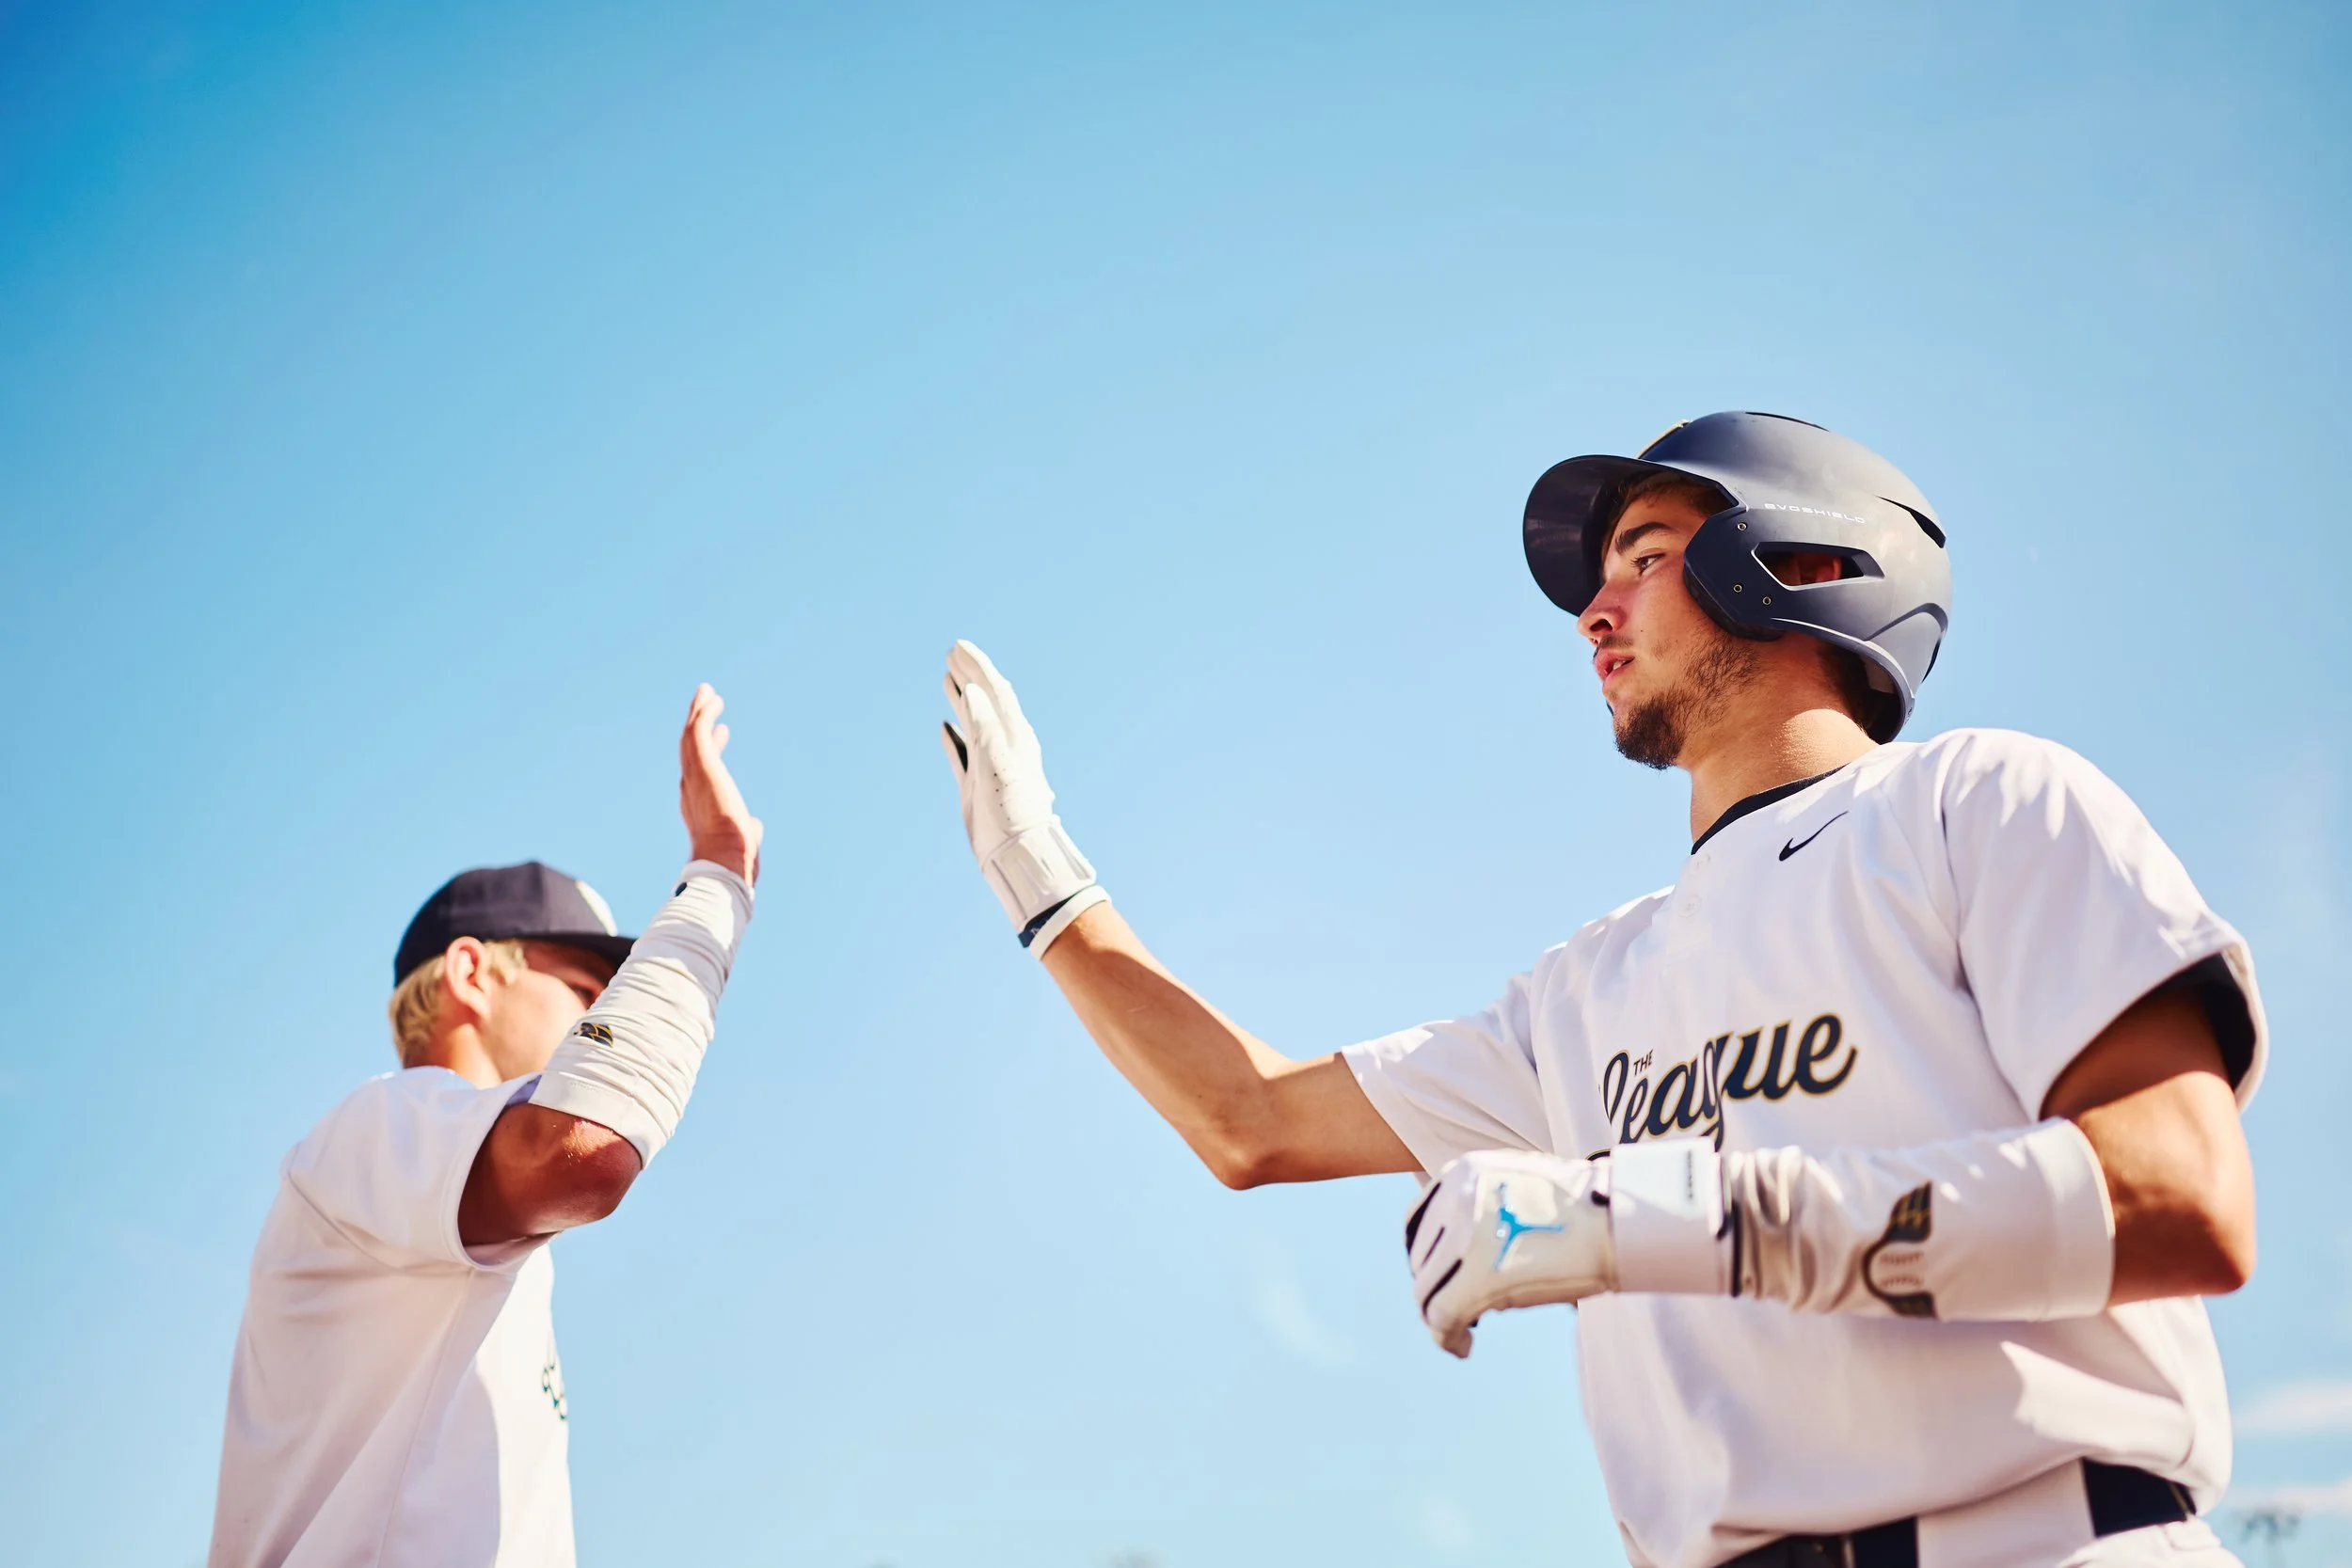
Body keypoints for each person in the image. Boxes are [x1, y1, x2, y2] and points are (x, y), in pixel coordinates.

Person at [938, 412, 2265, 1568]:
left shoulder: (1979, 802)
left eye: (1644, 556)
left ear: (1804, 562)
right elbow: (1250, 1113)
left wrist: (1654, 1213)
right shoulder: (1586, 986)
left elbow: (2180, 1199)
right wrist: (1041, 879)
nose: (1593, 610)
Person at [209, 685, 763, 1568]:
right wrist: (721, 868)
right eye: (586, 989)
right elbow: (584, 1149)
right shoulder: (378, 1127)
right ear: (473, 971)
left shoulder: (437, 1200)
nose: (602, 1011)